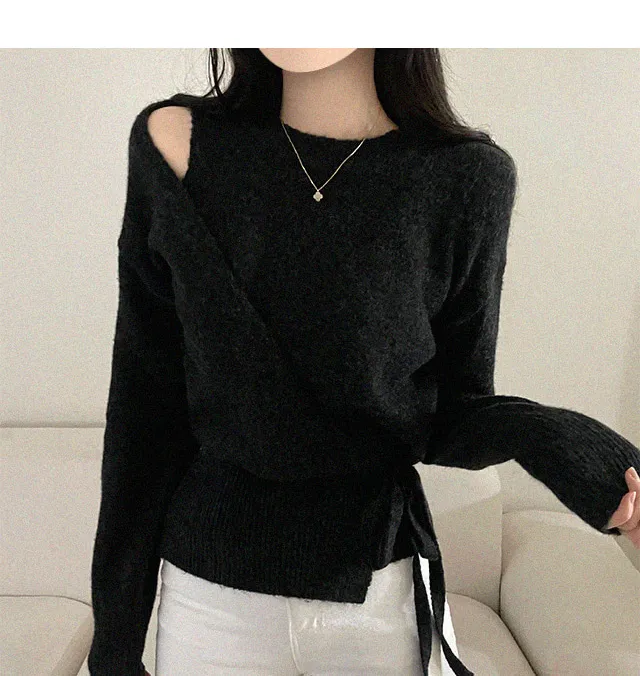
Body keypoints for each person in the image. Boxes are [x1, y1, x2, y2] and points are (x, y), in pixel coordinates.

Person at [88, 44, 640, 675]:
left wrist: (552, 437)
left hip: (378, 599)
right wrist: (115, 647)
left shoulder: (467, 178)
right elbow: (144, 416)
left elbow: (452, 412)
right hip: (210, 601)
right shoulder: (174, 145)